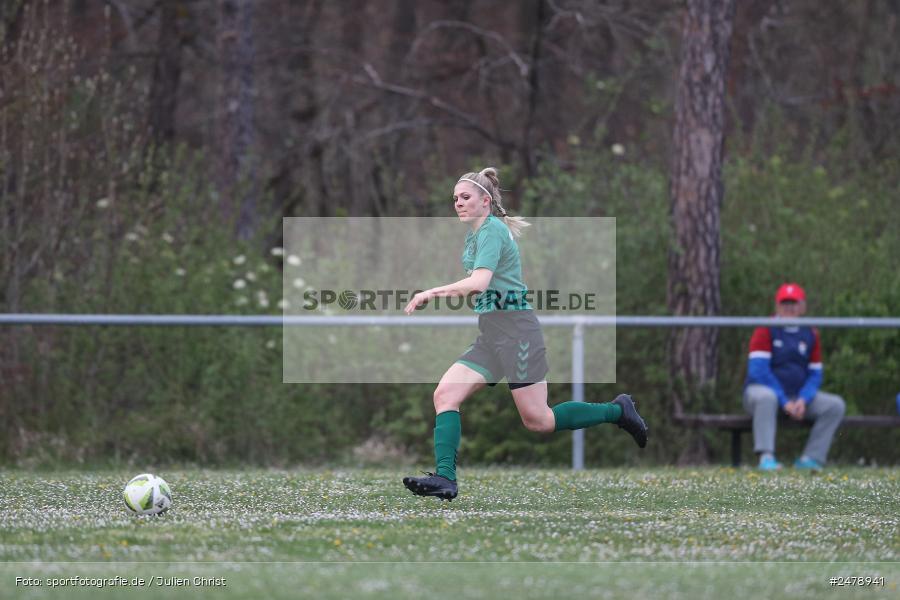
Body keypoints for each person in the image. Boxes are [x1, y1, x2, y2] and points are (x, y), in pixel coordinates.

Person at [401, 167, 647, 500]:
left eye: (465, 197)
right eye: (455, 198)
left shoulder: (491, 230)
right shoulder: (476, 234)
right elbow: (483, 287)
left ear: (485, 201)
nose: (458, 203)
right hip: (492, 333)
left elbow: (478, 283)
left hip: (517, 332)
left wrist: (430, 292)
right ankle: (446, 479)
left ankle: (618, 411)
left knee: (539, 421)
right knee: (445, 395)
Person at [744, 283, 846, 471]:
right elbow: (758, 372)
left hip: (797, 398)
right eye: (785, 303)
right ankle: (766, 458)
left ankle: (810, 459)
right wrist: (784, 400)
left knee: (835, 405)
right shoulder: (765, 329)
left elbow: (815, 374)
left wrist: (803, 400)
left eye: (794, 303)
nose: (789, 308)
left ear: (803, 306)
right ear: (777, 306)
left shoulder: (810, 332)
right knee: (767, 397)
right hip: (763, 395)